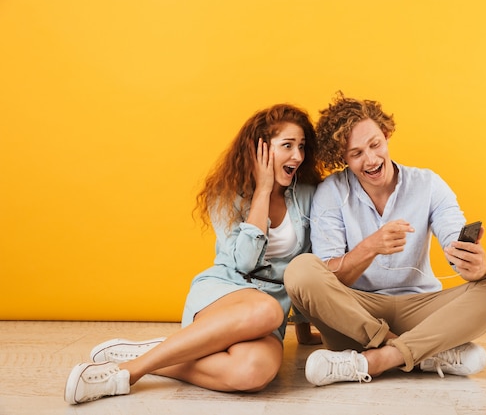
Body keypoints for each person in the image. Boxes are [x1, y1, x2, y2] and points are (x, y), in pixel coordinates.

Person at [64, 103, 323, 404]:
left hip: (269, 315)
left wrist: (303, 329)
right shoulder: (225, 195)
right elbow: (244, 262)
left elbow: (305, 264)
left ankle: (160, 352)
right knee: (266, 309)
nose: (298, 156)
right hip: (225, 293)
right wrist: (263, 192)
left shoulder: (307, 194)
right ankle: (127, 373)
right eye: (287, 146)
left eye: (302, 146)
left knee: (253, 374)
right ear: (259, 151)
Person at [284, 92, 486, 386]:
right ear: (342, 157)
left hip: (421, 309)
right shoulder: (332, 192)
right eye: (356, 153)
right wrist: (370, 247)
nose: (370, 159)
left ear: (385, 135)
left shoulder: (428, 184)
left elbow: (454, 242)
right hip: (355, 314)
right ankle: (419, 353)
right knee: (300, 269)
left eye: (374, 144)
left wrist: (474, 263)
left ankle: (378, 359)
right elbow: (331, 278)